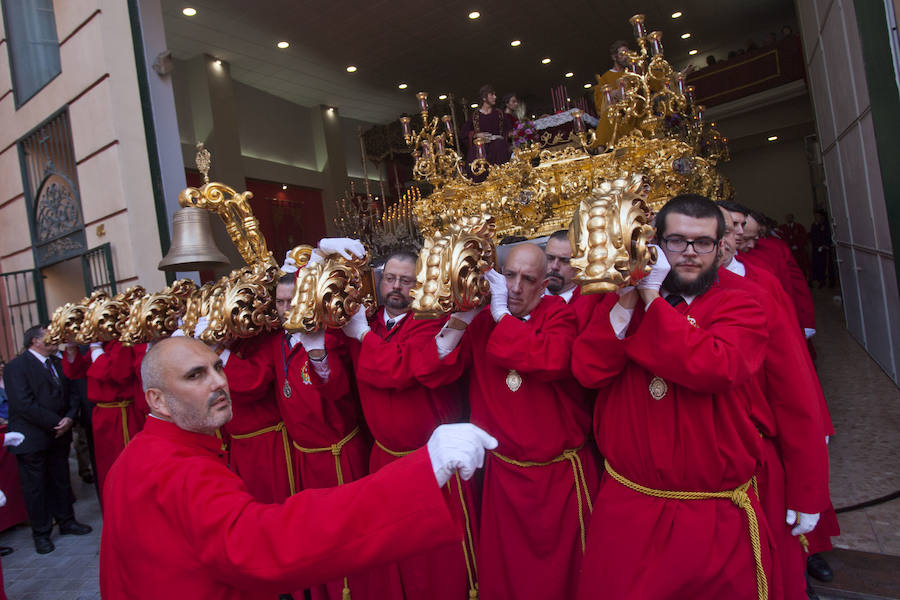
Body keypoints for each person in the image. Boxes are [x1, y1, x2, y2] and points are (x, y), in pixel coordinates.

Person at [100, 336, 498, 599]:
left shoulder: (132, 459)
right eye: (195, 375)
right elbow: (271, 545)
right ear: (157, 400)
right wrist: (421, 473)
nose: (219, 382)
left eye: (217, 367)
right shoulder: (184, 470)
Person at [573, 195, 777, 599]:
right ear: (654, 246)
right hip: (629, 506)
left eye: (702, 243)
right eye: (676, 241)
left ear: (720, 248)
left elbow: (717, 367)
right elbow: (589, 372)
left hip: (711, 513)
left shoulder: (742, 303)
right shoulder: (622, 300)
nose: (688, 253)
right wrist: (628, 300)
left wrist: (652, 298)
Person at [417, 243, 599, 600]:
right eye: (509, 276)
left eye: (527, 279)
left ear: (544, 284)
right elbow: (433, 369)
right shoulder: (484, 320)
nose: (514, 288)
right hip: (505, 477)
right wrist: (462, 319)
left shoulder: (562, 316)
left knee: (568, 578)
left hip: (559, 479)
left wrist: (502, 317)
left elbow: (551, 360)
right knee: (509, 576)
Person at [338, 247, 479, 600]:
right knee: (393, 551)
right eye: (390, 279)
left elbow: (401, 370)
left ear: (420, 285)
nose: (396, 287)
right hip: (384, 458)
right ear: (379, 281)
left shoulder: (431, 322)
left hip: (431, 463)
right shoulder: (366, 324)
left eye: (406, 280)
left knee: (438, 562)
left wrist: (363, 338)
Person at [718, 205, 829, 600]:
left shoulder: (759, 288)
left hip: (763, 450)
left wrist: (809, 478)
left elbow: (793, 388)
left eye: (732, 229)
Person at [273, 268, 372, 600]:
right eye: (280, 302)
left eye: (292, 301)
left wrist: (317, 356)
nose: (286, 309)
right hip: (305, 459)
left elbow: (338, 389)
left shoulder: (328, 337)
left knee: (348, 537)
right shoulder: (277, 341)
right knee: (316, 538)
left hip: (337, 456)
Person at [4, 326, 92, 554]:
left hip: (59, 434)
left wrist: (70, 417)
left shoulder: (57, 361)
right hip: (33, 436)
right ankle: (41, 533)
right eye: (50, 337)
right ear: (35, 341)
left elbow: (73, 390)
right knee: (36, 487)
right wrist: (57, 421)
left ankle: (67, 521)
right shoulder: (16, 367)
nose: (57, 340)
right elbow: (23, 403)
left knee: (61, 479)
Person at [460, 84, 512, 178]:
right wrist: (476, 134)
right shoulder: (475, 116)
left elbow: (509, 130)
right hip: (482, 147)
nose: (495, 97)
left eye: (494, 94)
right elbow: (464, 133)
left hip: (498, 148)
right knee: (474, 153)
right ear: (484, 98)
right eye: (491, 95)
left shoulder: (499, 113)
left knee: (499, 145)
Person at [592, 40, 632, 148]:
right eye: (622, 54)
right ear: (614, 57)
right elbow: (601, 105)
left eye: (627, 53)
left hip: (633, 114)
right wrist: (612, 94)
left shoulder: (632, 74)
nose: (626, 57)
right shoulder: (606, 78)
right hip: (616, 117)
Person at [777, 214, 811, 282]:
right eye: (787, 217)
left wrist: (798, 246)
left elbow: (803, 236)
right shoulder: (782, 227)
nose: (789, 219)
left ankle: (804, 280)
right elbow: (781, 238)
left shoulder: (799, 226)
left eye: (790, 217)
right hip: (789, 251)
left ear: (793, 218)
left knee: (802, 266)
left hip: (799, 251)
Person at [809, 210, 835, 288]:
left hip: (826, 248)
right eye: (815, 216)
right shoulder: (814, 225)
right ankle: (821, 281)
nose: (816, 218)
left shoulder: (826, 225)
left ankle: (831, 281)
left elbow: (828, 236)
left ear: (822, 217)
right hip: (817, 249)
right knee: (819, 266)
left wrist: (825, 245)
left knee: (829, 265)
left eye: (818, 216)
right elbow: (813, 237)